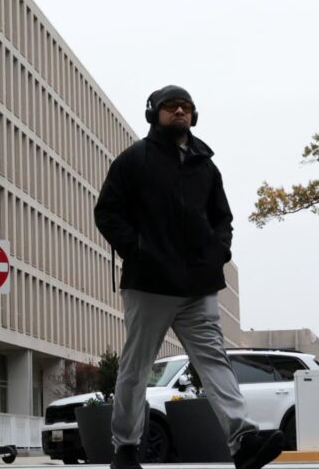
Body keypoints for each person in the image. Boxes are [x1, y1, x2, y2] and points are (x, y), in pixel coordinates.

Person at [95, 85, 284, 469]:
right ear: (154, 113)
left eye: (185, 107)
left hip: (199, 284)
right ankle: (126, 447)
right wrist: (139, 251)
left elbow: (222, 218)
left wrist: (219, 251)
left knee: (214, 360)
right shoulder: (134, 161)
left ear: (193, 115)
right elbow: (107, 212)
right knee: (136, 367)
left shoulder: (205, 165)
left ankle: (242, 438)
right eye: (170, 106)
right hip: (149, 284)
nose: (179, 111)